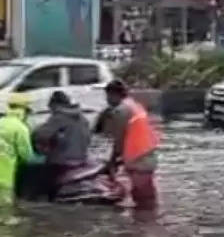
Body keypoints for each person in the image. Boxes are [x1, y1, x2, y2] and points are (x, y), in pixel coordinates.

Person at [20, 90, 92, 201]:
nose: (51, 111)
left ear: (55, 105)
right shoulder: (83, 119)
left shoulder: (58, 117)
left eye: (51, 108)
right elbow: (88, 139)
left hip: (61, 163)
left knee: (34, 177)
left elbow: (40, 135)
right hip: (82, 161)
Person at [0, 93, 41, 208]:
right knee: (5, 211)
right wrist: (41, 159)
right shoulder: (20, 128)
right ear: (25, 110)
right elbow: (26, 156)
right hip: (0, 177)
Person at [101, 79, 160, 209]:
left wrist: (111, 163)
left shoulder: (120, 111)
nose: (107, 100)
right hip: (148, 153)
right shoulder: (134, 105)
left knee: (142, 198)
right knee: (147, 195)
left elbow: (118, 140)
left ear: (113, 94)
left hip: (138, 157)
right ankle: (147, 222)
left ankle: (144, 224)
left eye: (108, 96)